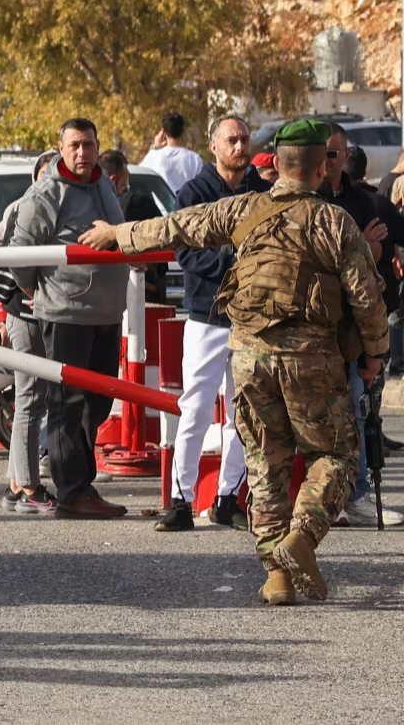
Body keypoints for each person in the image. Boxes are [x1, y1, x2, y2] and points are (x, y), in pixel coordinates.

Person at [81, 119, 387, 604]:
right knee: (336, 456)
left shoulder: (245, 208)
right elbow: (368, 302)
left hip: (247, 355)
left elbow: (179, 226)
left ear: (281, 164)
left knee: (264, 461)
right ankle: (301, 538)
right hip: (311, 358)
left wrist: (118, 233)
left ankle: (278, 577)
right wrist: (374, 356)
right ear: (321, 165)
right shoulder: (335, 222)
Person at [10, 118, 126, 519]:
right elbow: (20, 252)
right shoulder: (45, 193)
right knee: (67, 404)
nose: (82, 152)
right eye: (74, 145)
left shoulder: (105, 185)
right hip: (66, 315)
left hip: (108, 313)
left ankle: (81, 484)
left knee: (98, 403)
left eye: (89, 144)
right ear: (60, 148)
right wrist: (36, 292)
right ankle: (72, 491)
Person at [155, 116, 265, 533]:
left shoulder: (262, 193)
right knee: (196, 409)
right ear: (213, 146)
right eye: (231, 140)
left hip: (252, 320)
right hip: (206, 316)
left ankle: (226, 498)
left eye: (244, 139)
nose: (239, 146)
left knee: (245, 414)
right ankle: (181, 501)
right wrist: (236, 261)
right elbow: (188, 255)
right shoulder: (193, 194)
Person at [320, 131, 404, 527]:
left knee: (356, 412)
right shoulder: (306, 202)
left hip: (352, 333)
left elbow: (390, 239)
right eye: (328, 151)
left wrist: (375, 253)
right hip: (312, 331)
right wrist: (360, 249)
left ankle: (354, 496)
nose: (335, 158)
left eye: (340, 151)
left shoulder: (366, 202)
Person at [0, 152, 59, 514]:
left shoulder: (55, 207)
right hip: (26, 317)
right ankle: (30, 490)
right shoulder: (23, 208)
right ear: (35, 177)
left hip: (36, 315)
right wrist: (17, 303)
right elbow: (0, 261)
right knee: (30, 401)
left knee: (33, 400)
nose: (52, 181)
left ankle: (15, 483)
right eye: (47, 174)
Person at [100, 149, 166, 301]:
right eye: (124, 184)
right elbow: (164, 233)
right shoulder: (137, 203)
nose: (125, 190)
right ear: (113, 180)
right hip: (141, 291)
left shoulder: (84, 205)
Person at [139, 111, 203, 193]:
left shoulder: (154, 156)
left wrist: (154, 147)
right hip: (188, 205)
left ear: (164, 133)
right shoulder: (194, 159)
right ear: (183, 131)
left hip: (160, 205)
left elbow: (137, 173)